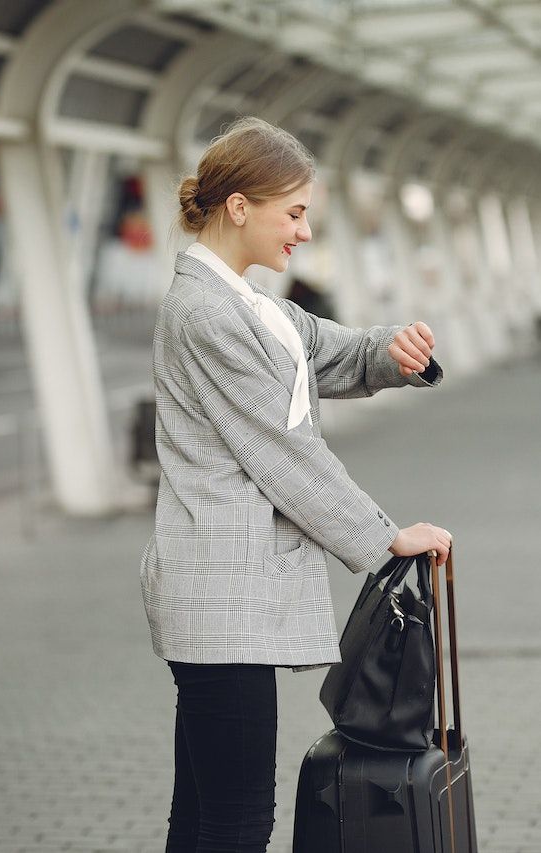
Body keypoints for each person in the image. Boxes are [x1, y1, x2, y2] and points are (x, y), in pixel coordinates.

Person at [139, 116, 453, 852]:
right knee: (238, 818)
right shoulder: (206, 311)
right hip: (221, 603)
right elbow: (281, 453)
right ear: (239, 206)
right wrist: (384, 537)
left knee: (208, 815)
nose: (305, 232)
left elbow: (333, 350)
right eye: (296, 212)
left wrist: (395, 353)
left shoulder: (254, 306)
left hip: (227, 601)